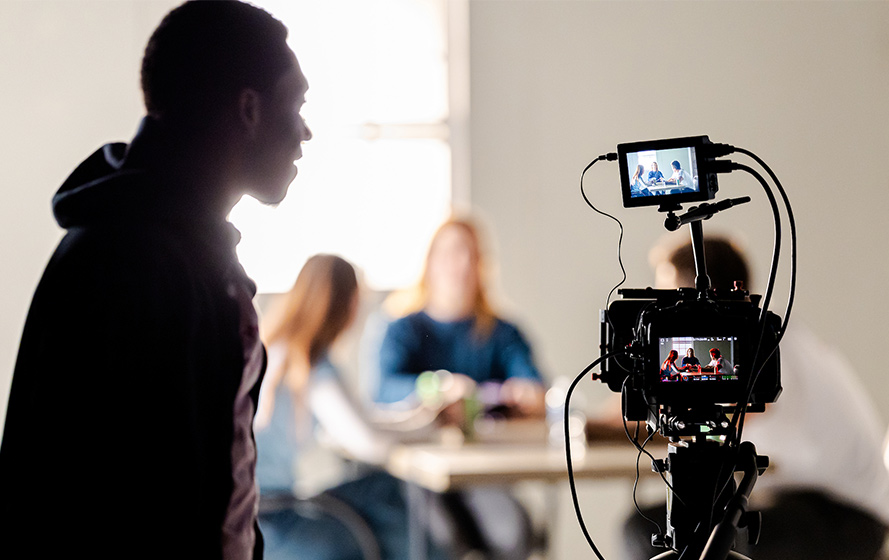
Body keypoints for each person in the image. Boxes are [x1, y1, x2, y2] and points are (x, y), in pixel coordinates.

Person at [0, 2, 310, 558]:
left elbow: (221, 474)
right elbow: (113, 501)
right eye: (297, 104)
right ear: (249, 109)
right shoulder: (128, 262)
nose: (306, 132)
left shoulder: (187, 254)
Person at [621, 236, 889, 560]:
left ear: (699, 293)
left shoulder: (764, 345)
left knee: (651, 532)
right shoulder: (771, 331)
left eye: (670, 296)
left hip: (845, 518)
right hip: (812, 502)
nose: (662, 312)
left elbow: (721, 418)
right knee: (676, 526)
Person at [256, 255, 450, 560]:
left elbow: (360, 421)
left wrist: (420, 420)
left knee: (381, 500)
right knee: (385, 494)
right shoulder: (310, 363)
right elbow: (368, 443)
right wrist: (428, 429)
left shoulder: (276, 349)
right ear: (346, 304)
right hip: (276, 522)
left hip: (258, 514)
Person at [375, 216, 545, 560]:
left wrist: (524, 395)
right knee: (439, 537)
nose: (464, 264)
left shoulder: (503, 332)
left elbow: (533, 386)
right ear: (430, 262)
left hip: (482, 470)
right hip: (419, 477)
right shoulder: (401, 328)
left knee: (513, 532)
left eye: (473, 255)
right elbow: (382, 390)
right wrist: (437, 388)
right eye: (453, 253)